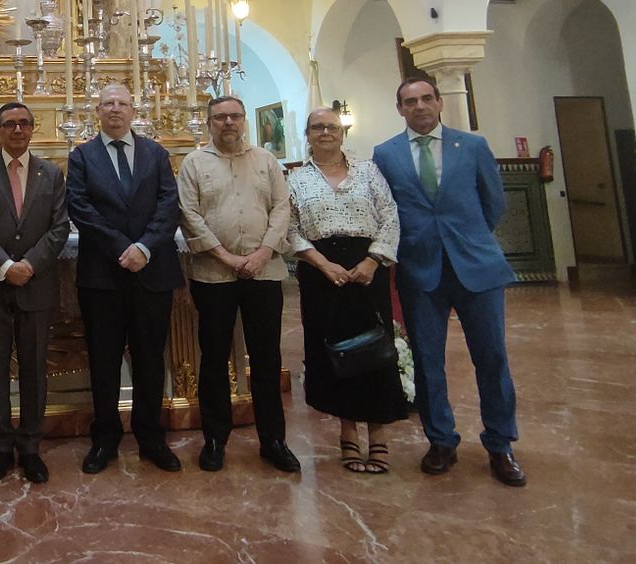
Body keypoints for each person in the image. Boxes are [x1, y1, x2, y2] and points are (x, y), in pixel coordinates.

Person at [372, 76, 526, 487]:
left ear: (440, 102)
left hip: (476, 266)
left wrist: (466, 239)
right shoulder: (385, 154)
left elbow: (493, 203)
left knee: (491, 358)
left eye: (426, 98)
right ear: (400, 109)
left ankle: (500, 443)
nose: (419, 106)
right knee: (427, 361)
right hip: (420, 271)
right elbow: (386, 208)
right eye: (410, 101)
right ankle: (440, 440)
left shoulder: (471, 146)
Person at [176, 95, 301, 474]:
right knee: (214, 357)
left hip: (264, 272)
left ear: (244, 120)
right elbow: (189, 214)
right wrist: (225, 257)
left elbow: (282, 207)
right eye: (220, 117)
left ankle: (273, 440)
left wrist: (264, 252)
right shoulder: (195, 163)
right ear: (209, 122)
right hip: (213, 274)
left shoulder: (266, 160)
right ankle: (215, 439)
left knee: (266, 358)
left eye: (234, 116)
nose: (228, 122)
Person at [67, 83, 183, 475]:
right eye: (108, 104)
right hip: (103, 274)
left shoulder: (156, 153)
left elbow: (169, 204)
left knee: (151, 358)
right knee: (103, 359)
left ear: (133, 110)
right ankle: (105, 438)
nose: (115, 109)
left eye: (122, 103)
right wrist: (122, 247)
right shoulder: (82, 156)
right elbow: (80, 207)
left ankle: (151, 437)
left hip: (152, 271)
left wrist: (144, 248)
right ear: (97, 111)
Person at [288, 107, 408, 475]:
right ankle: (348, 434)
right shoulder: (296, 179)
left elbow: (389, 216)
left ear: (342, 133)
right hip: (321, 273)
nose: (325, 132)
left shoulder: (368, 171)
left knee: (374, 351)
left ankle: (379, 435)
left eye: (332, 127)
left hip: (366, 270)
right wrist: (323, 264)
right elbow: (289, 228)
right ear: (307, 134)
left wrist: (372, 261)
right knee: (337, 355)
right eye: (317, 127)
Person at [0, 101, 69, 484]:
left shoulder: (50, 173)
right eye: (10, 124)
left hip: (36, 285)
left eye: (24, 123)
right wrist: (6, 267)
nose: (18, 130)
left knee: (35, 367)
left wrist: (30, 265)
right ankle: (2, 446)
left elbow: (59, 227)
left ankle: (31, 446)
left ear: (32, 129)